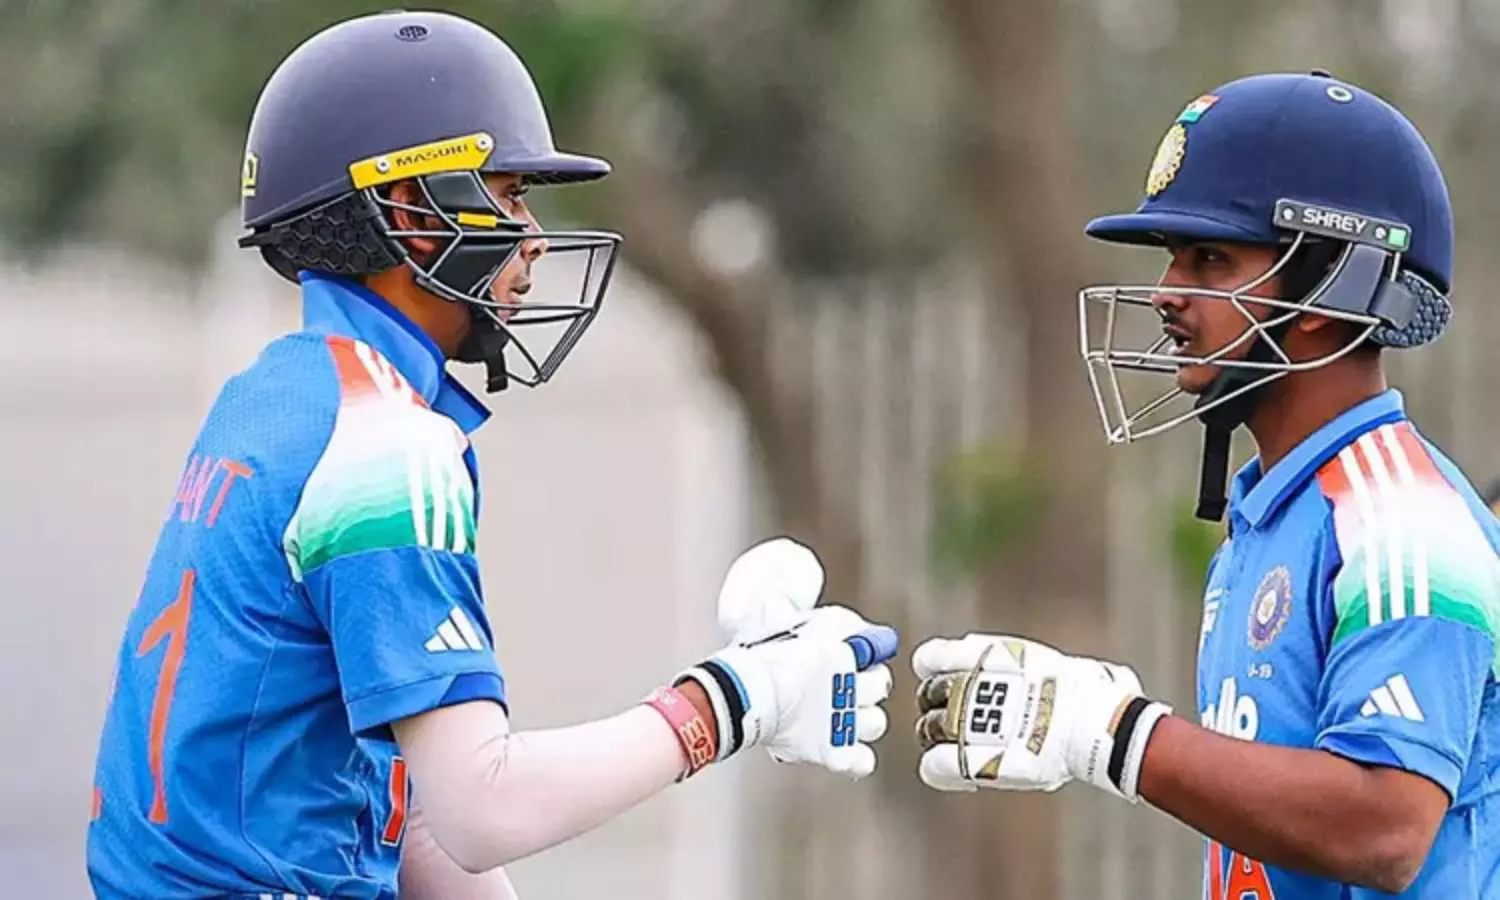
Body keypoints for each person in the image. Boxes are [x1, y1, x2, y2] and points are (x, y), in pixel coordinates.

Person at [85, 10, 897, 899]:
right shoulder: (384, 445)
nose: (532, 237)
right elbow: (485, 808)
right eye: (507, 196)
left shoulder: (274, 398)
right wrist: (735, 699)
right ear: (408, 210)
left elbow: (407, 806)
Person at [909, 71, 1500, 897]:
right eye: (1173, 257)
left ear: (1331, 285)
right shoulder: (1270, 520)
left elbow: (1386, 827)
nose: (1166, 294)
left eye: (1211, 259)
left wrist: (1112, 733)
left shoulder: (1401, 521)